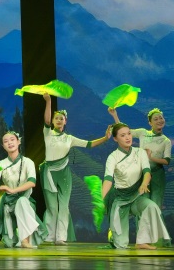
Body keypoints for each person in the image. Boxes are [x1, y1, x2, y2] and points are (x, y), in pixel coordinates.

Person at [40, 94, 110, 245]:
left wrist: (105, 138)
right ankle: (49, 236)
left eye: (61, 118)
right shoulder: (48, 133)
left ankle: (60, 237)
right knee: (52, 206)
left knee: (64, 206)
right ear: (53, 121)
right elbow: (46, 121)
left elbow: (89, 144)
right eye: (56, 118)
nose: (59, 120)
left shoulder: (69, 138)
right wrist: (49, 101)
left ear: (65, 121)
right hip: (49, 173)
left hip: (64, 174)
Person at [101, 123, 170, 249]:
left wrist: (144, 183)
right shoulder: (113, 157)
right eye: (123, 135)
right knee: (120, 245)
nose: (128, 137)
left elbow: (147, 172)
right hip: (120, 199)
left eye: (129, 133)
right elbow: (108, 180)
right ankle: (114, 238)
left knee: (152, 207)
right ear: (115, 139)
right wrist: (101, 198)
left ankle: (142, 241)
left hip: (136, 197)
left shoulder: (140, 152)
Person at [0, 131, 43, 248]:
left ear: (18, 141)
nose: (9, 143)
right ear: (3, 146)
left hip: (25, 201)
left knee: (22, 201)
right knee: (9, 243)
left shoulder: (28, 162)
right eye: (6, 141)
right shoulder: (1, 164)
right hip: (9, 203)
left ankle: (25, 240)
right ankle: (15, 236)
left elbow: (31, 183)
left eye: (12, 140)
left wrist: (12, 190)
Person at [109, 106, 171, 210]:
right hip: (142, 173)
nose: (159, 120)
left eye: (161, 118)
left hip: (157, 175)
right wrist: (115, 115)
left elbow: (167, 161)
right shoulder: (143, 133)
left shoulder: (166, 141)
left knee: (156, 205)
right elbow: (124, 131)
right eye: (156, 119)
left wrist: (150, 158)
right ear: (150, 123)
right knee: (143, 204)